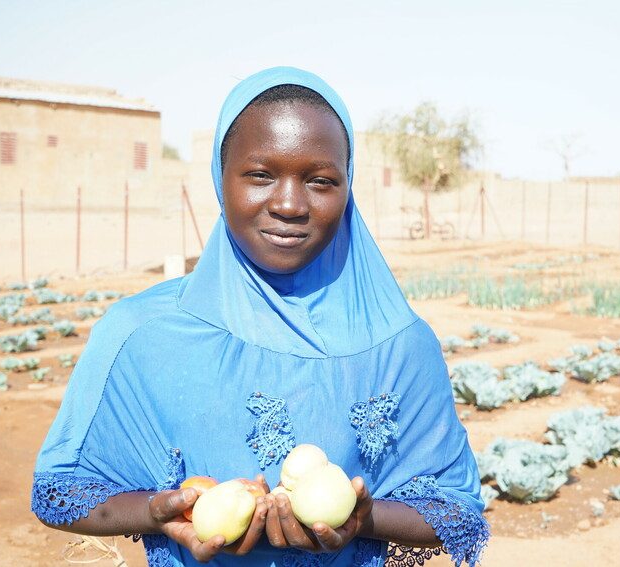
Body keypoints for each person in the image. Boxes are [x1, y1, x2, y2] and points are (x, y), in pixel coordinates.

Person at [31, 67, 488, 566]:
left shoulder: (400, 345)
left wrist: (362, 519)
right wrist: (157, 512)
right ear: (219, 179)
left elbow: (457, 513)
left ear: (348, 187)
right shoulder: (143, 334)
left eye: (320, 181)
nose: (290, 204)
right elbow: (59, 492)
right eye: (260, 176)